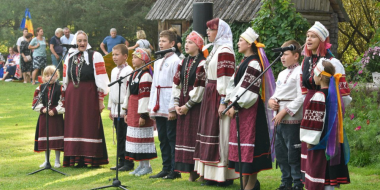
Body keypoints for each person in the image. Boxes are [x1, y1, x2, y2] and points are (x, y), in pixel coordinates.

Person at [300, 21, 352, 186]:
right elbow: (302, 90)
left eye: (313, 36)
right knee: (311, 144)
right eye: (307, 36)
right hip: (311, 107)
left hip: (328, 111)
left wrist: (333, 114)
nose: (308, 39)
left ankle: (327, 183)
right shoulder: (306, 61)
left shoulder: (332, 62)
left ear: (322, 40)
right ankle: (313, 183)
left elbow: (343, 96)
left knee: (323, 150)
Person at [224, 27, 274, 190]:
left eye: (241, 41)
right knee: (241, 149)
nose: (238, 43)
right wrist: (228, 102)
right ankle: (245, 184)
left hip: (249, 110)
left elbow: (248, 90)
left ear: (250, 44)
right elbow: (233, 84)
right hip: (239, 109)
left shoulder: (254, 63)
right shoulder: (244, 62)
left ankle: (250, 185)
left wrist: (235, 105)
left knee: (250, 150)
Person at [193, 18, 239, 186]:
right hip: (210, 93)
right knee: (209, 130)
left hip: (218, 95)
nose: (207, 33)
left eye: (211, 30)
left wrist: (223, 101)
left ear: (219, 32)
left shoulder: (225, 50)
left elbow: (226, 79)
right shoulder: (216, 48)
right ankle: (209, 174)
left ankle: (223, 175)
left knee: (220, 132)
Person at [62, 30, 110, 168]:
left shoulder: (95, 55)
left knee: (89, 124)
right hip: (72, 96)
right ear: (75, 42)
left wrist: (101, 100)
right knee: (74, 125)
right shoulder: (69, 56)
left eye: (84, 40)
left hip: (89, 95)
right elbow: (65, 80)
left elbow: (101, 80)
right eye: (79, 41)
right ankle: (76, 158)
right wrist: (64, 99)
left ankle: (92, 158)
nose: (82, 43)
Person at [268, 40, 304, 190]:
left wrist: (284, 111)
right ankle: (285, 182)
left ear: (296, 56)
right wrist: (271, 101)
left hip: (292, 120)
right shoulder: (282, 73)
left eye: (286, 54)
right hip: (279, 121)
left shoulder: (300, 72)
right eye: (281, 54)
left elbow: (302, 96)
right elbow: (277, 94)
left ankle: (297, 183)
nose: (282, 57)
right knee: (281, 153)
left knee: (293, 153)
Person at [172, 31, 206, 181]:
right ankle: (190, 172)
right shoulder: (182, 61)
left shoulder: (203, 62)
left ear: (198, 46)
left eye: (190, 42)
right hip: (182, 101)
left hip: (196, 104)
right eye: (185, 42)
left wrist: (188, 105)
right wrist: (176, 104)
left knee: (194, 137)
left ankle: (199, 172)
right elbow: (176, 83)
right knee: (184, 137)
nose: (186, 45)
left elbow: (200, 88)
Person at [148, 30, 181, 179]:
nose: (160, 43)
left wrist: (173, 107)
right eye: (159, 40)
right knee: (162, 137)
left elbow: (176, 86)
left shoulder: (176, 60)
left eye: (164, 41)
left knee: (171, 136)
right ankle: (165, 167)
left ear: (172, 43)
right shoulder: (158, 61)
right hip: (158, 104)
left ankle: (175, 169)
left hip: (168, 104)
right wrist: (151, 106)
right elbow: (155, 85)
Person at [122, 48, 157, 176]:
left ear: (143, 60)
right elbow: (128, 93)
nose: (132, 60)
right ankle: (140, 165)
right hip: (132, 108)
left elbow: (145, 96)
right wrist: (125, 111)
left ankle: (147, 166)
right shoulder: (133, 73)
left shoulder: (146, 75)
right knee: (136, 139)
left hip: (140, 109)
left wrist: (143, 115)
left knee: (143, 138)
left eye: (135, 57)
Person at [107, 44, 135, 172]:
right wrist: (110, 108)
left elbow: (128, 91)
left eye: (117, 54)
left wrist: (127, 109)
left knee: (125, 135)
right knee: (119, 136)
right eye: (113, 54)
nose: (114, 57)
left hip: (124, 107)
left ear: (125, 56)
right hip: (115, 107)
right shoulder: (113, 71)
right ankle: (120, 160)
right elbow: (112, 90)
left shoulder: (129, 71)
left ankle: (128, 162)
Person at [32, 65, 64, 168]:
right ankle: (46, 161)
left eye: (52, 75)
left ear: (57, 76)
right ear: (43, 77)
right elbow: (35, 102)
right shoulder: (40, 87)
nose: (49, 77)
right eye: (47, 75)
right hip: (44, 117)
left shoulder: (60, 88)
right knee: (46, 139)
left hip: (56, 117)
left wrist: (55, 110)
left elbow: (64, 102)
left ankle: (57, 161)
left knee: (57, 138)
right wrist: (43, 109)